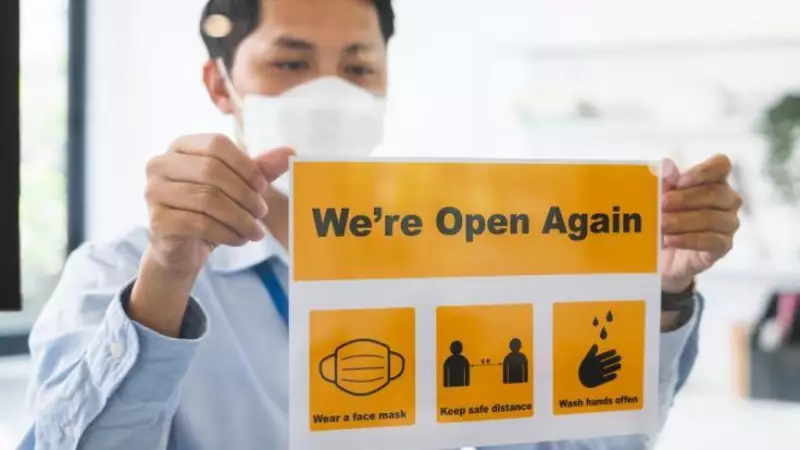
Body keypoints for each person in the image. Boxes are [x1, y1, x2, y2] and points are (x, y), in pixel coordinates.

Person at [19, 0, 743, 449]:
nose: (330, 91)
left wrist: (661, 294)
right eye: (292, 62)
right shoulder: (120, 274)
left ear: (386, 82)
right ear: (220, 83)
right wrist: (170, 274)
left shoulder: (471, 262)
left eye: (359, 68)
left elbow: (580, 448)